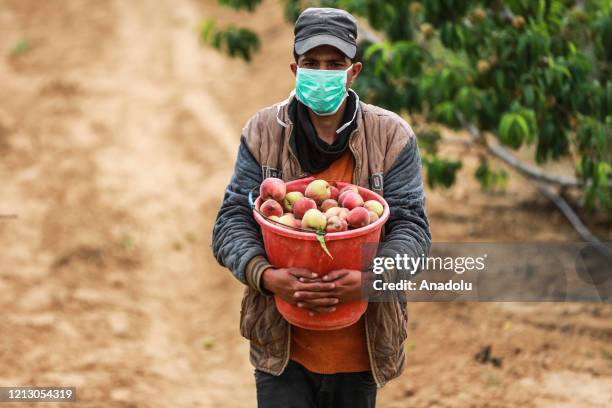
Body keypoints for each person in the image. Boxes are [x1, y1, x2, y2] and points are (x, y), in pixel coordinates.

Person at [212, 7, 431, 408]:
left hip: (360, 349)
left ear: (354, 71)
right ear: (295, 69)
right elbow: (231, 222)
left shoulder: (392, 136)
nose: (323, 71)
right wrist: (268, 276)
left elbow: (412, 228)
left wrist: (370, 279)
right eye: (312, 63)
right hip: (282, 348)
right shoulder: (263, 132)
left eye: (335, 63)